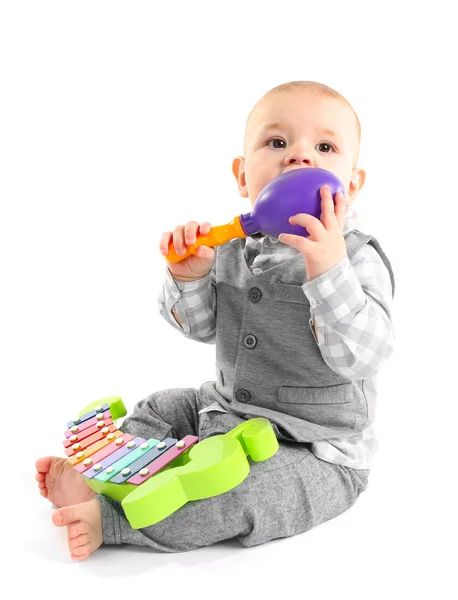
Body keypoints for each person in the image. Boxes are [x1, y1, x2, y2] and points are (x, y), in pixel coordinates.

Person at [36, 80, 395, 561]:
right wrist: (191, 277)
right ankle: (105, 473)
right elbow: (201, 328)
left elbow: (363, 356)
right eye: (277, 142)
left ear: (350, 186)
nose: (300, 157)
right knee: (161, 406)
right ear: (243, 176)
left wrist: (328, 269)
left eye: (325, 147)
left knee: (250, 494)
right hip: (226, 411)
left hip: (317, 450)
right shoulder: (232, 246)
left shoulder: (356, 259)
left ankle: (115, 521)